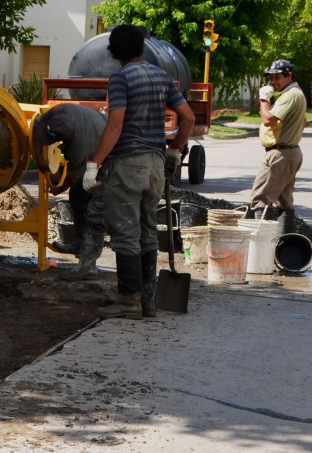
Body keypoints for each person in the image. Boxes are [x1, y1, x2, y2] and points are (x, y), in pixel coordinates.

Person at [83, 25, 194, 319]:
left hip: (128, 166)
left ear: (113, 52)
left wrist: (94, 163)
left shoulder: (120, 78)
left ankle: (128, 301)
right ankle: (148, 302)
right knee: (147, 231)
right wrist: (175, 150)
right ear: (141, 49)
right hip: (156, 166)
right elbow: (188, 117)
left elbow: (115, 125)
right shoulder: (161, 77)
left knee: (126, 233)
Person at [32, 103, 108, 281]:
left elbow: (71, 177)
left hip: (111, 159)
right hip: (97, 141)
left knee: (95, 212)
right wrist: (39, 158)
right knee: (77, 195)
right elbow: (36, 125)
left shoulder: (78, 147)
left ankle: (87, 266)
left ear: (66, 139)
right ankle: (79, 244)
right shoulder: (60, 110)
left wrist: (58, 189)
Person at [248, 59, 306, 227]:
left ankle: (260, 247)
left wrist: (264, 100)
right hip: (290, 152)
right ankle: (282, 245)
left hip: (280, 154)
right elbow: (304, 122)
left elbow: (268, 120)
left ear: (289, 76)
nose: (273, 81)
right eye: (271, 78)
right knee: (284, 201)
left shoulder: (290, 95)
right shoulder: (295, 94)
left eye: (277, 77)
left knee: (260, 199)